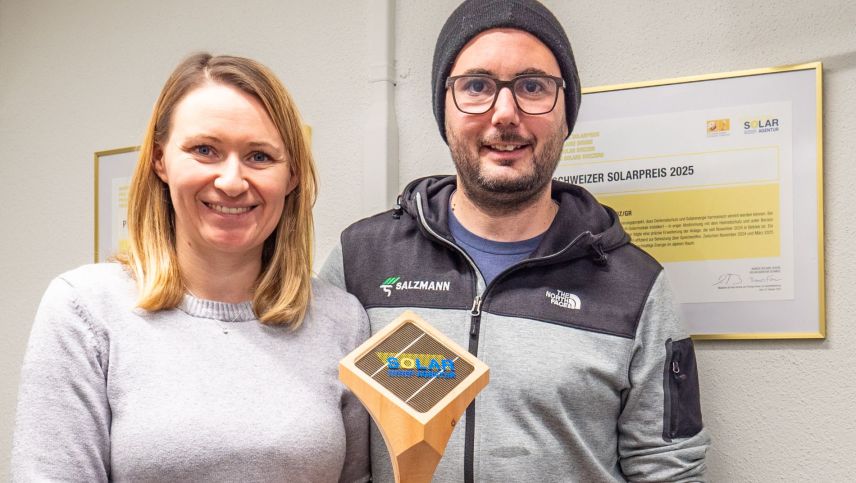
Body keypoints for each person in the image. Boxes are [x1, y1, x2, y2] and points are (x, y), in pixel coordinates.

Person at [319, 0, 710, 481]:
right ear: (444, 109)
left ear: (566, 114)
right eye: (476, 86)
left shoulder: (636, 287)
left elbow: (669, 469)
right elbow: (321, 437)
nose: (505, 113)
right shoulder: (361, 260)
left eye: (532, 86)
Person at [12, 53, 370, 482]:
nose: (232, 182)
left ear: (292, 175)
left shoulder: (342, 321)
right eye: (205, 150)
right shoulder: (85, 309)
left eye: (259, 156)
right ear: (160, 160)